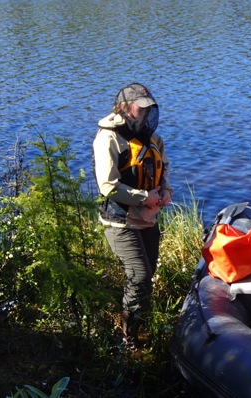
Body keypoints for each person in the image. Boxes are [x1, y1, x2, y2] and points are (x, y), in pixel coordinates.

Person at [93, 83, 173, 349]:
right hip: (120, 221)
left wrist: (165, 189)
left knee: (146, 275)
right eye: (142, 109)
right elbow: (108, 185)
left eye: (150, 109)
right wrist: (144, 197)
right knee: (139, 275)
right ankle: (128, 337)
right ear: (126, 107)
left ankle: (143, 328)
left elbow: (164, 165)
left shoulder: (152, 137)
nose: (147, 115)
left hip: (148, 218)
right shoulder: (108, 138)